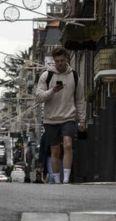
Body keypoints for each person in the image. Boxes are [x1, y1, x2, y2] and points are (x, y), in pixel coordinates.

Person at [35, 46, 86, 184]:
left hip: (68, 117)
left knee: (68, 145)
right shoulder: (46, 76)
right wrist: (52, 90)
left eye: (62, 60)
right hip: (51, 119)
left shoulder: (74, 76)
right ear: (54, 61)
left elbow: (80, 99)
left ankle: (66, 179)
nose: (60, 63)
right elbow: (38, 97)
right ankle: (57, 180)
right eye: (57, 61)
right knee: (55, 150)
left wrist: (82, 119)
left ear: (66, 59)